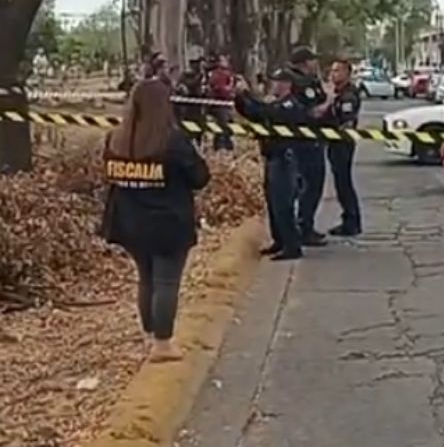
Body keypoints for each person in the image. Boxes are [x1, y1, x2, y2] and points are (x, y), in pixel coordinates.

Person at [101, 80, 210, 362]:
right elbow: (200, 178)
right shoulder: (172, 142)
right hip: (168, 224)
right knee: (166, 282)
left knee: (146, 278)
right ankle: (163, 343)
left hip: (129, 223)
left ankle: (150, 335)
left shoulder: (115, 139)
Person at [235, 69, 308, 260]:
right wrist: (239, 98)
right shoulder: (277, 104)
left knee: (283, 203)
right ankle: (280, 240)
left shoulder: (290, 105)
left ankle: (292, 245)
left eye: (277, 81)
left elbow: (266, 112)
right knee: (273, 202)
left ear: (286, 84)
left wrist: (246, 94)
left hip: (285, 159)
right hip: (272, 157)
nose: (273, 84)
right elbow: (254, 113)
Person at [288, 47, 331, 246]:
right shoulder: (300, 83)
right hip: (306, 141)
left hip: (309, 140)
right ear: (305, 63)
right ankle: (304, 227)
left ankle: (305, 225)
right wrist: (330, 100)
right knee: (311, 185)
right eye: (313, 61)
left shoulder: (308, 81)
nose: (316, 64)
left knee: (307, 186)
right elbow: (314, 112)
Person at [325, 59, 363, 237]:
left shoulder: (348, 95)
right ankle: (348, 219)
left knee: (344, 183)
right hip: (334, 142)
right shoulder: (337, 92)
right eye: (332, 71)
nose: (334, 74)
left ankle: (352, 222)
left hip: (342, 143)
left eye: (338, 71)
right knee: (341, 183)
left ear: (348, 74)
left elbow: (346, 121)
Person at [207, 54, 236, 151]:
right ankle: (220, 147)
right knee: (222, 126)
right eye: (224, 60)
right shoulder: (217, 74)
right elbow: (219, 88)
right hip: (220, 104)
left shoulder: (228, 73)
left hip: (227, 104)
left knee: (229, 125)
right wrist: (229, 91)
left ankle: (227, 145)